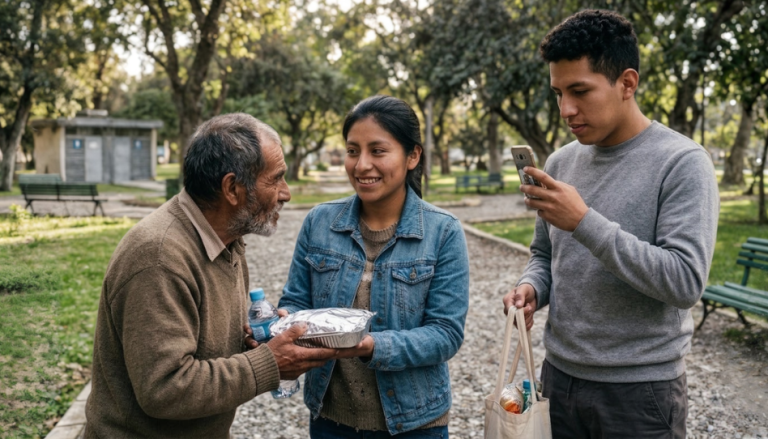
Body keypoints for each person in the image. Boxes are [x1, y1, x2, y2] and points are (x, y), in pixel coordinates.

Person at [502, 10, 719, 438]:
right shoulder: (561, 162)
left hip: (640, 393)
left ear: (627, 83)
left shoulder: (682, 163)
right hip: (558, 378)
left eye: (580, 91)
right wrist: (531, 289)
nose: (566, 109)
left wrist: (584, 221)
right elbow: (544, 255)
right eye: (558, 92)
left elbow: (684, 282)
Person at [85, 113, 338, 438]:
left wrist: (261, 342)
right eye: (276, 179)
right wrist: (267, 363)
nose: (286, 193)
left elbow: (204, 350)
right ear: (232, 188)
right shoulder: (159, 256)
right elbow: (165, 389)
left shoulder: (227, 241)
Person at [277, 95, 470, 438]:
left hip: (415, 424)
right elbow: (295, 300)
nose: (362, 164)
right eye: (353, 151)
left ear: (413, 156)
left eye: (377, 151)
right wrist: (283, 321)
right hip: (331, 421)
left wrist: (372, 346)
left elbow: (445, 334)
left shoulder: (443, 232)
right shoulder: (319, 222)